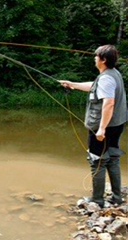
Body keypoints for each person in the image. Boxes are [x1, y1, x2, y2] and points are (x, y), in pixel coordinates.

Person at [59, 44, 127, 208]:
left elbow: (108, 103)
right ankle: (117, 197)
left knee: (97, 161)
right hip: (117, 124)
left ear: (103, 60)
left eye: (96, 56)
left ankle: (97, 200)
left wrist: (101, 128)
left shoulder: (107, 78)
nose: (94, 59)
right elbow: (96, 87)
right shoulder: (113, 74)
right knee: (113, 158)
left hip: (104, 128)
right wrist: (73, 84)